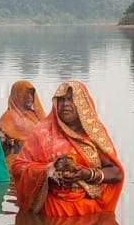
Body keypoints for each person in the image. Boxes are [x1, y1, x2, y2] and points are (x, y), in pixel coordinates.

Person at [12, 80, 124, 217]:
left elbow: (116, 173)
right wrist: (48, 171)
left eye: (71, 99)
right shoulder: (42, 133)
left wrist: (87, 174)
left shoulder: (94, 133)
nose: (65, 104)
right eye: (61, 99)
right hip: (52, 211)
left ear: (82, 104)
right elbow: (18, 167)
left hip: (90, 212)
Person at [0, 80, 48, 164]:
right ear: (16, 95)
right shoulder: (9, 117)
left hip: (41, 156)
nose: (29, 97)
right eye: (25, 93)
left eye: (31, 93)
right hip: (18, 159)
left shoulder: (36, 115)